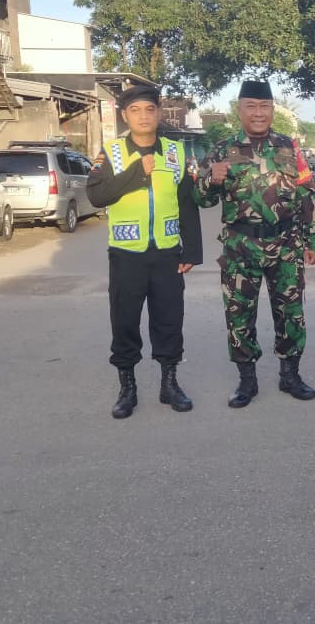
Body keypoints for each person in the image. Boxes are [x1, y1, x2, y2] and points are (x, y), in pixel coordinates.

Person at [193, 80, 315, 408]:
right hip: (240, 246)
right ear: (239, 110)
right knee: (239, 315)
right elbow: (200, 198)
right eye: (250, 106)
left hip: (285, 243)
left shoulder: (290, 148)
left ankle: (290, 375)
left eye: (264, 106)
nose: (258, 113)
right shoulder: (222, 150)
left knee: (291, 313)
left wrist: (314, 239)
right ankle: (246, 381)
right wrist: (212, 178)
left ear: (272, 110)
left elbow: (308, 194)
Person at [86, 85, 201, 418]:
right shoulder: (112, 152)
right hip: (126, 253)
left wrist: (190, 250)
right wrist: (138, 171)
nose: (143, 116)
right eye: (135, 110)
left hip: (167, 253)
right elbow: (96, 195)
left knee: (169, 320)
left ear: (159, 113)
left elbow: (187, 204)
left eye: (149, 109)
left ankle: (169, 384)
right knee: (124, 321)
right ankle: (127, 388)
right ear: (125, 115)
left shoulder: (176, 152)